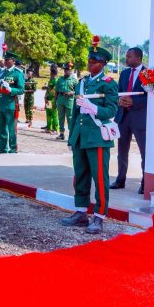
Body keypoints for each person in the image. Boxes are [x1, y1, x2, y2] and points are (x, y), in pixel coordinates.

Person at [60, 42, 119, 235]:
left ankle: (99, 217)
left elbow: (111, 110)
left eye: (94, 61)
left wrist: (93, 107)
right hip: (81, 136)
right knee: (80, 175)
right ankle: (81, 212)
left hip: (97, 137)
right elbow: (76, 114)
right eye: (89, 60)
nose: (89, 63)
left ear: (103, 64)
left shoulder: (109, 84)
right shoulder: (82, 83)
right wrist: (72, 137)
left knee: (100, 178)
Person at [112, 47, 147, 194]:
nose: (126, 59)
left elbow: (150, 97)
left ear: (138, 58)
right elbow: (118, 92)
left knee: (144, 152)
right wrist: (120, 100)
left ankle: (145, 183)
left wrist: (134, 101)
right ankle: (120, 180)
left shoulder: (148, 74)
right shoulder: (125, 73)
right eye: (126, 56)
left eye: (129, 56)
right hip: (124, 117)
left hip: (139, 118)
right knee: (122, 151)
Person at [0, 51, 25, 154]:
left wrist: (11, 89)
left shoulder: (18, 73)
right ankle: (2, 149)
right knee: (1, 129)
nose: (6, 62)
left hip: (11, 104)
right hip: (1, 104)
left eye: (8, 60)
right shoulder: (3, 72)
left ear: (13, 61)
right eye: (5, 60)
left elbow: (21, 89)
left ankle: (12, 149)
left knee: (12, 129)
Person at [54, 62, 77, 141]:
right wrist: (55, 102)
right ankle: (61, 134)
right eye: (66, 70)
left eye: (69, 70)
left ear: (71, 71)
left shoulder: (74, 80)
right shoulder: (60, 80)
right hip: (60, 99)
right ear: (64, 71)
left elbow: (77, 91)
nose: (68, 72)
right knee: (61, 117)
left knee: (70, 118)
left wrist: (71, 92)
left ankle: (71, 135)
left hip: (69, 101)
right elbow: (56, 91)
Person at [43, 65, 59, 133]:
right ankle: (49, 128)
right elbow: (48, 89)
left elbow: (54, 91)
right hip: (48, 99)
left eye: (51, 73)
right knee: (48, 114)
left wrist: (48, 97)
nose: (50, 74)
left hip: (52, 100)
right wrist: (46, 97)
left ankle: (55, 129)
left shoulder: (56, 80)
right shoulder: (51, 80)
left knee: (54, 114)